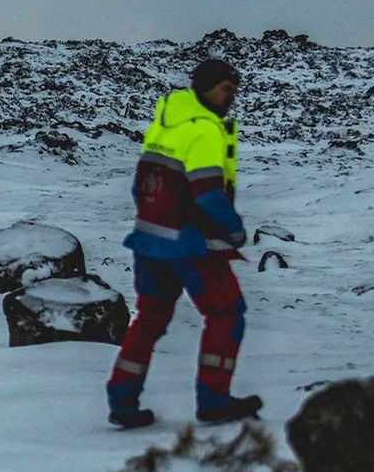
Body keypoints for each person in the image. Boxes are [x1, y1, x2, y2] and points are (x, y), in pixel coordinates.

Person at [106, 58, 262, 428]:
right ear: (206, 87)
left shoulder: (165, 124)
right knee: (226, 313)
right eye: (227, 89)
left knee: (149, 319)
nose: (231, 98)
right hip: (192, 243)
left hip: (150, 241)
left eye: (235, 91)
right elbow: (207, 194)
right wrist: (235, 231)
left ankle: (122, 402)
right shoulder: (205, 130)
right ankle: (214, 400)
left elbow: (143, 182)